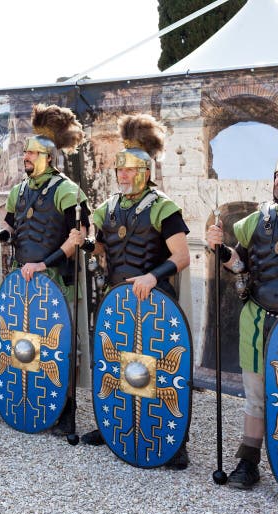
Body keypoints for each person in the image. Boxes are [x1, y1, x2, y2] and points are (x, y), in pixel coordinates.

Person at [206, 117, 278, 489]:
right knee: (255, 396)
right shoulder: (259, 219)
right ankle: (248, 462)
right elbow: (240, 264)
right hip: (257, 319)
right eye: (277, 175)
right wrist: (221, 250)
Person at [80, 113, 191, 470]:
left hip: (157, 301)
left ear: (145, 171)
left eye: (129, 170)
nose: (123, 176)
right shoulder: (107, 208)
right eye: (119, 171)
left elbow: (182, 256)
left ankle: (175, 441)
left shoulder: (164, 208)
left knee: (160, 371)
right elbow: (101, 248)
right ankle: (112, 427)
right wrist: (86, 243)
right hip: (117, 300)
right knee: (115, 364)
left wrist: (151, 277)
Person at [0, 103, 89, 434]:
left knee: (59, 346)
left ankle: (67, 407)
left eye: (31, 154)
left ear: (47, 157)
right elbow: (12, 229)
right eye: (25, 153)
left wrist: (45, 262)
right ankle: (31, 401)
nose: (25, 158)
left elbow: (80, 237)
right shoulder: (18, 191)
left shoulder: (68, 190)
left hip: (56, 278)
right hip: (24, 281)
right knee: (25, 342)